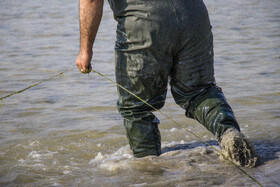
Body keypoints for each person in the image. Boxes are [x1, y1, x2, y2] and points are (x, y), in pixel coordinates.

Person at [75, 0, 258, 167]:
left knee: (137, 107)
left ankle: (149, 170)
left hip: (144, 22)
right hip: (194, 15)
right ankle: (228, 133)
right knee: (199, 92)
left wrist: (85, 50)